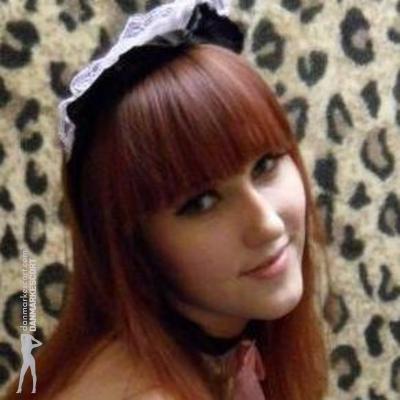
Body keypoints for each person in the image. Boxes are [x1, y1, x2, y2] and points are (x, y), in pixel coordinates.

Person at [5, 0, 330, 398]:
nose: (267, 224)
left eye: (265, 165)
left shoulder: (217, 349)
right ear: (133, 244)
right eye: (202, 202)